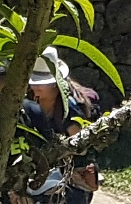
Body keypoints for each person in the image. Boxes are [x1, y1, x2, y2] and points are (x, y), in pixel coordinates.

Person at [20, 57, 100, 204]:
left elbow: (81, 148)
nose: (35, 86)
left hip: (71, 171)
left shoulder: (70, 108)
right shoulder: (29, 100)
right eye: (34, 81)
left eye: (42, 82)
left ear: (55, 83)